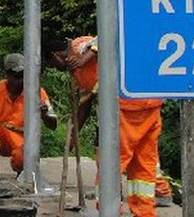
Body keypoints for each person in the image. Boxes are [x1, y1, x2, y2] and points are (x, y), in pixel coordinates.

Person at [47, 36, 166, 217]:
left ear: (55, 56)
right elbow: (84, 105)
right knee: (142, 164)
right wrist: (73, 136)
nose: (55, 68)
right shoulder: (80, 68)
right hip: (149, 101)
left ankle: (107, 210)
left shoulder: (79, 48)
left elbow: (106, 36)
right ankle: (144, 212)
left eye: (52, 64)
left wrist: (82, 59)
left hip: (126, 107)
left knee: (110, 163)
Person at [0, 52, 58, 180]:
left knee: (23, 155)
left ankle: (22, 172)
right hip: (1, 135)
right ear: (7, 75)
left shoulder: (37, 92)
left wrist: (44, 114)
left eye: (23, 76)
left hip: (22, 139)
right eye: (17, 76)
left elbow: (53, 124)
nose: (21, 81)